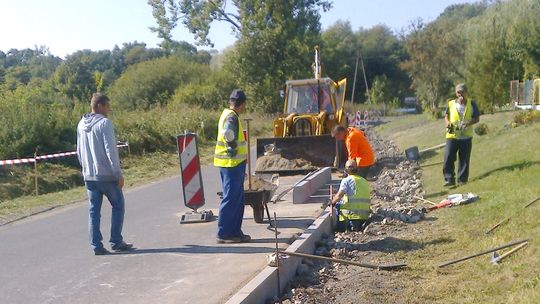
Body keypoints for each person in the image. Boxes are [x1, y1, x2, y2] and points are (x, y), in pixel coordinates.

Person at [77, 93, 133, 255]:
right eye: (107, 106)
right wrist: (118, 173)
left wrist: (85, 169)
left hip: (89, 176)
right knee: (118, 205)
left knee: (94, 211)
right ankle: (116, 241)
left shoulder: (81, 124)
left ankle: (96, 245)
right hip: (106, 176)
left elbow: (79, 151)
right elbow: (111, 150)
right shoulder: (105, 123)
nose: (109, 109)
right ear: (100, 106)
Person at [214, 89, 250, 243]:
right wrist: (232, 147)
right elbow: (228, 133)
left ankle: (235, 232)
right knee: (231, 198)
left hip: (231, 164)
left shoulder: (227, 113)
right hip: (231, 163)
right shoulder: (232, 117)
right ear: (241, 104)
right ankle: (224, 234)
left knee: (236, 199)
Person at [443, 83, 480, 186]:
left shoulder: (472, 103)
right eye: (458, 92)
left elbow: (477, 118)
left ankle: (462, 180)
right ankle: (449, 179)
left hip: (466, 135)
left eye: (462, 92)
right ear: (456, 93)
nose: (460, 94)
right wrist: (447, 124)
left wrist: (468, 123)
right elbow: (446, 116)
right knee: (448, 157)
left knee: (464, 159)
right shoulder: (450, 103)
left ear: (466, 92)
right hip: (452, 134)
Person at [329, 160, 371, 232]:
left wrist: (332, 202)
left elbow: (339, 195)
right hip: (364, 215)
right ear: (357, 169)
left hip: (352, 215)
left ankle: (341, 229)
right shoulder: (364, 180)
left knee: (338, 205)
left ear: (346, 170)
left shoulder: (347, 180)